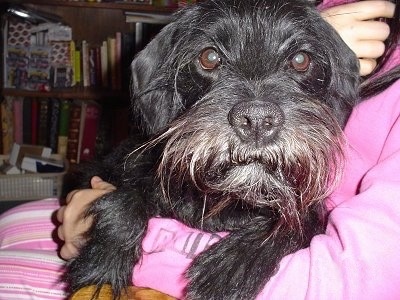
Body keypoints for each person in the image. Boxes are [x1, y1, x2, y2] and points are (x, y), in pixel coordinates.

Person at [0, 1, 398, 299]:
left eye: (298, 61)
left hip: (303, 259)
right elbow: (126, 169)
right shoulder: (333, 16)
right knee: (16, 217)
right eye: (210, 58)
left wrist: (137, 239)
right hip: (176, 203)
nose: (256, 115)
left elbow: (357, 273)